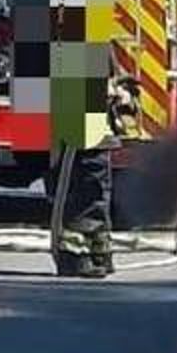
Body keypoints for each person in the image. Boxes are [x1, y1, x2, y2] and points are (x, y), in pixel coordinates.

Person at [50, 50, 140, 280]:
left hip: (98, 132)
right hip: (80, 132)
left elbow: (115, 76)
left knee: (100, 192)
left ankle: (100, 252)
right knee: (85, 192)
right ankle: (74, 257)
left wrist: (121, 92)